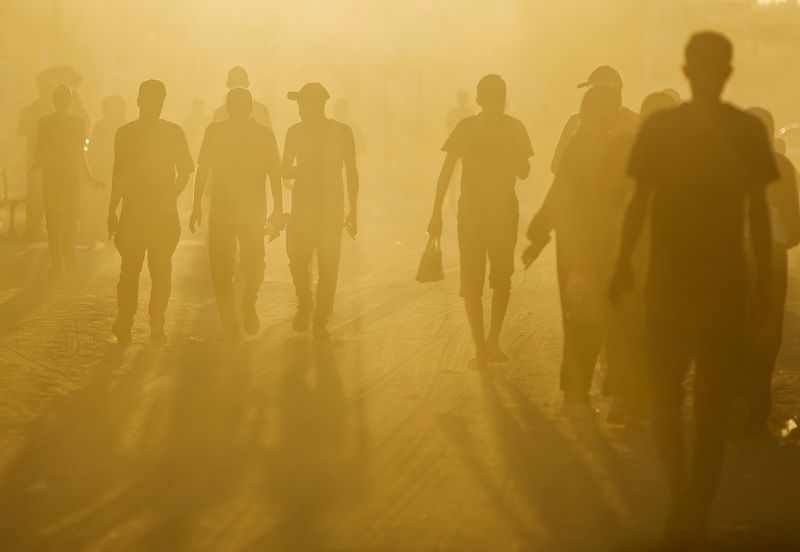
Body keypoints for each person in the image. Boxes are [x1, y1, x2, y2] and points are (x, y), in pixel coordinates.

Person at [608, 32, 777, 545]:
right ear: (728, 71)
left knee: (665, 396)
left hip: (670, 280)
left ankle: (683, 494)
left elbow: (639, 203)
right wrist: (763, 286)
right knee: (711, 402)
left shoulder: (661, 127)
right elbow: (757, 218)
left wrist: (621, 265)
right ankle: (695, 504)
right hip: (724, 282)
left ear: (686, 70)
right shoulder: (746, 130)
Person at [522, 85, 627, 411]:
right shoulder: (587, 147)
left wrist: (539, 234)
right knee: (583, 313)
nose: (609, 114)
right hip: (584, 243)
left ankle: (578, 387)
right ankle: (577, 388)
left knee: (589, 313)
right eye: (605, 108)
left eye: (613, 107)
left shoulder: (613, 147)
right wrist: (538, 235)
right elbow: (561, 192)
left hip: (595, 241)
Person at [428, 74, 533, 366]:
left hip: (473, 214)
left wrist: (436, 212)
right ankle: (491, 342)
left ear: (477, 99)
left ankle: (481, 347)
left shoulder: (466, 127)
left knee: (473, 281)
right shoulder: (514, 127)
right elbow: (525, 172)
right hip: (500, 214)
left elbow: (446, 172)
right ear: (504, 99)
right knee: (501, 279)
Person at [603, 91, 679, 426]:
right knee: (625, 323)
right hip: (629, 246)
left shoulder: (688, 154)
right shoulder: (621, 148)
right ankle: (625, 395)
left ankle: (645, 397)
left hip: (668, 250)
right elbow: (603, 196)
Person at [190, 88, 283, 340]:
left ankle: (248, 302)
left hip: (249, 213)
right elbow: (203, 170)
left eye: (240, 106)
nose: (237, 110)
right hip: (227, 212)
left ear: (249, 108)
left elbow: (275, 173)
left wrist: (278, 210)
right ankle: (230, 319)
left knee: (252, 263)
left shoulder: (261, 135)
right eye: (234, 106)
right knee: (224, 267)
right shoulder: (217, 132)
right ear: (228, 108)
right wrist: (196, 204)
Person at [108, 80, 194, 344]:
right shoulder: (124, 133)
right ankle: (125, 320)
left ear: (163, 103)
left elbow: (186, 170)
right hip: (133, 212)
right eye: (147, 100)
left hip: (162, 214)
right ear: (138, 100)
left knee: (160, 271)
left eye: (157, 101)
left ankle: (157, 324)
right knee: (129, 271)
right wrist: (111, 210)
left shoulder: (173, 132)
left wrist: (171, 196)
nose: (151, 105)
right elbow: (119, 175)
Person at [282, 82, 359, 340]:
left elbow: (352, 172)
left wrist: (354, 211)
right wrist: (312, 165)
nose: (299, 110)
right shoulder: (295, 132)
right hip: (304, 206)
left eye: (302, 104)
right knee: (297, 259)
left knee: (328, 265)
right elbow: (284, 170)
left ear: (318, 104)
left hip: (330, 208)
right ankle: (305, 302)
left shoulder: (342, 132)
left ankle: (320, 318)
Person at [741, 107, 800, 435]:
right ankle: (752, 404)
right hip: (759, 257)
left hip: (752, 257)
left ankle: (748, 402)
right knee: (760, 329)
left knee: (752, 329)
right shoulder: (780, 166)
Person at [33, 85, 103, 277]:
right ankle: (58, 261)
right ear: (54, 101)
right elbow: (40, 148)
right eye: (59, 98)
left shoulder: (76, 122)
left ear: (68, 101)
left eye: (64, 98)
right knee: (55, 220)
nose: (61, 102)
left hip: (68, 177)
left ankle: (67, 255)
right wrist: (36, 164)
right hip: (54, 176)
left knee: (68, 219)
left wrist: (88, 175)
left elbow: (79, 151)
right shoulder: (48, 122)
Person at [550, 65, 637, 175]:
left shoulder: (634, 123)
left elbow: (557, 165)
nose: (589, 95)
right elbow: (556, 165)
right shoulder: (637, 121)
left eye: (595, 89)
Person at [86, 95, 127, 246]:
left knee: (119, 204)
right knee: (102, 204)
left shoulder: (126, 126)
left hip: (121, 172)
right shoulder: (101, 126)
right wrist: (88, 168)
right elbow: (93, 147)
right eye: (110, 107)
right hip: (102, 171)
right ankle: (103, 235)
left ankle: (115, 235)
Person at [18, 75, 55, 240]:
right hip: (34, 158)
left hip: (51, 160)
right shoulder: (30, 110)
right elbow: (20, 131)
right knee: (34, 195)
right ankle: (33, 229)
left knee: (49, 194)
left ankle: (46, 228)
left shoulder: (54, 111)